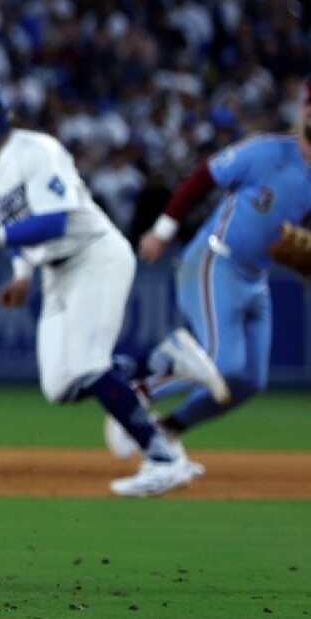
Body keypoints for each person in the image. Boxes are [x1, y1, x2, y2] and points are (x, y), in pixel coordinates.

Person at [0, 74, 225, 498]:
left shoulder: (37, 150)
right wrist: (21, 273)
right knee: (60, 386)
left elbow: (54, 220)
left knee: (87, 363)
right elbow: (11, 227)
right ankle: (164, 361)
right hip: (54, 270)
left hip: (95, 253)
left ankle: (165, 458)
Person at [104, 77, 311, 462]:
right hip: (217, 260)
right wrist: (163, 230)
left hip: (255, 278)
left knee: (248, 381)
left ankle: (168, 430)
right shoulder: (267, 151)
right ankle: (135, 395)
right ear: (303, 112)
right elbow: (204, 177)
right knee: (223, 362)